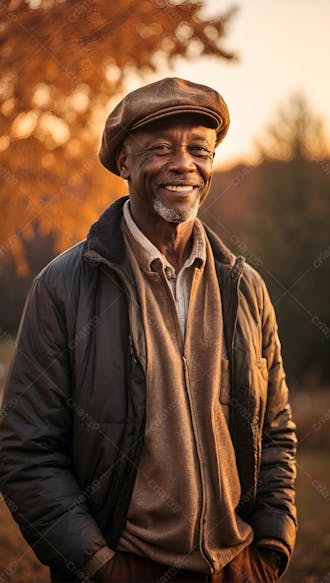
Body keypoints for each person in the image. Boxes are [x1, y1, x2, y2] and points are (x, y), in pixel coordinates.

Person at [0, 77, 297, 583]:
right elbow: (26, 448)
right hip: (125, 568)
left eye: (198, 149)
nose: (183, 163)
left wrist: (270, 546)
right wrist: (99, 565)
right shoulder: (63, 287)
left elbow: (277, 431)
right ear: (124, 163)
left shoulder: (244, 287)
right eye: (160, 148)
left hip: (238, 568)